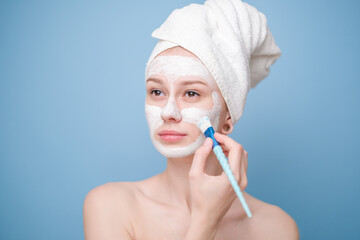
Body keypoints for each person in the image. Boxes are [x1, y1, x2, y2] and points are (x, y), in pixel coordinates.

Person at [83, 0, 299, 239]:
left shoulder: (276, 228)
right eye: (157, 92)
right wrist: (205, 220)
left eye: (191, 93)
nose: (168, 112)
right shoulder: (110, 206)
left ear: (229, 117)